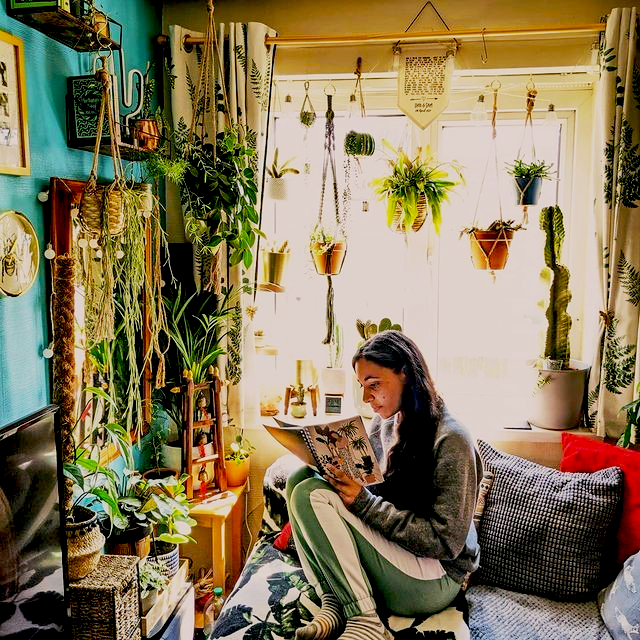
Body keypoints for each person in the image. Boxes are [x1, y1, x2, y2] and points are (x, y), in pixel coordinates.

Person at [286, 330, 483, 640]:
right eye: (363, 387)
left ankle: (367, 622)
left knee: (313, 495)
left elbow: (446, 544)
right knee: (300, 479)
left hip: (437, 578)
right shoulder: (386, 422)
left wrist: (363, 502)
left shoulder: (451, 439)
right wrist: (340, 476)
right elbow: (382, 492)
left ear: (405, 373)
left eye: (374, 385)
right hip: (401, 556)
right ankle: (334, 599)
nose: (367, 398)